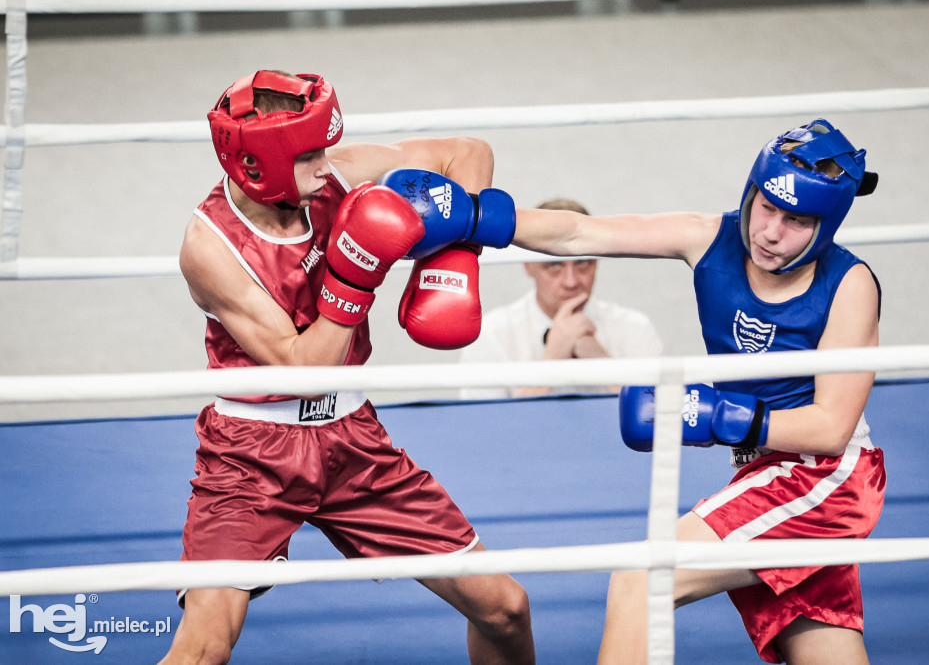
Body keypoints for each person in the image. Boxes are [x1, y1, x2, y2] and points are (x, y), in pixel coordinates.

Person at [162, 70, 534, 664]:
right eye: (307, 155)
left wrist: (451, 262)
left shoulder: (337, 173)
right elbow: (301, 367)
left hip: (354, 440)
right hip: (251, 454)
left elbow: (470, 153)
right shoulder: (210, 247)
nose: (324, 166)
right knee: (204, 650)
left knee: (506, 609)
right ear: (259, 166)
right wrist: (356, 271)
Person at [512, 119, 884, 664]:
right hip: (767, 467)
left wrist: (717, 416)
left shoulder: (849, 286)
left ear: (826, 225)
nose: (770, 232)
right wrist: (478, 216)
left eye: (796, 220)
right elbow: (578, 233)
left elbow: (831, 428)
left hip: (823, 478)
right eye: (765, 207)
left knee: (641, 578)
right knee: (825, 649)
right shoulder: (709, 237)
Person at [459, 199, 663, 399]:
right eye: (554, 266)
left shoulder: (635, 328)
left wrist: (601, 362)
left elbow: (657, 421)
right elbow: (485, 426)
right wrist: (551, 362)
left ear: (597, 263)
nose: (571, 282)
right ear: (527, 265)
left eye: (583, 262)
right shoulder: (492, 335)